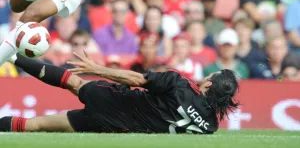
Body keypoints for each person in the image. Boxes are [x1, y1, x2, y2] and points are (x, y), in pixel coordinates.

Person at [0, 51, 239, 134]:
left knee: (73, 81)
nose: (204, 77)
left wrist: (96, 69)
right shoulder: (209, 127)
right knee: (36, 126)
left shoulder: (179, 83)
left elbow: (136, 78)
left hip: (114, 100)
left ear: (208, 85)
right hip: (112, 125)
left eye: (209, 77)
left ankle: (11, 56)